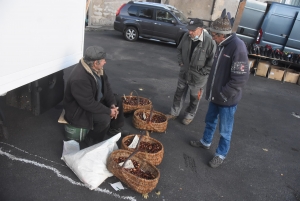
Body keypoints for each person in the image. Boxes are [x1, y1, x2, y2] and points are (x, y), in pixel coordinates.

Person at [190, 10, 249, 168]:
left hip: (227, 100)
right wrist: (207, 90)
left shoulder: (238, 47)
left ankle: (221, 154)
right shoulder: (221, 45)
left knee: (225, 130)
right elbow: (215, 72)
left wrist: (223, 94)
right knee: (210, 121)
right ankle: (205, 142)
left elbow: (239, 79)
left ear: (223, 35)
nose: (213, 38)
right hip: (215, 96)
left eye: (215, 35)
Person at [63, 46, 128, 146]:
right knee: (104, 119)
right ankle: (91, 141)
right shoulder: (80, 78)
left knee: (117, 100)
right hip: (78, 110)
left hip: (93, 99)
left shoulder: (98, 69)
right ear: (95, 62)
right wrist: (108, 111)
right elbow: (88, 104)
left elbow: (107, 86)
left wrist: (112, 105)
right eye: (103, 60)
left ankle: (114, 128)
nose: (105, 62)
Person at [166, 18, 216, 125]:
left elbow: (212, 61)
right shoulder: (186, 36)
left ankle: (189, 115)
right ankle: (174, 113)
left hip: (198, 78)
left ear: (201, 29)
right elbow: (179, 49)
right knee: (178, 94)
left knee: (194, 98)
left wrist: (202, 72)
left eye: (193, 30)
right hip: (184, 72)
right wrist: (181, 62)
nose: (190, 32)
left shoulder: (210, 41)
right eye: (189, 29)